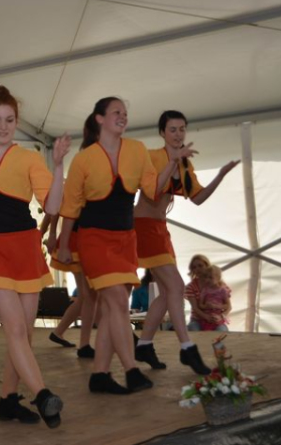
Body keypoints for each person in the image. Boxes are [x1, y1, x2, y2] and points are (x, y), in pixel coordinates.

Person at [0, 86, 70, 428]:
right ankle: (43, 395)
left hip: (24, 250)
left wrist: (58, 165)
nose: (3, 126)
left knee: (24, 335)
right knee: (16, 329)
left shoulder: (30, 159)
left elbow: (52, 205)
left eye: (9, 120)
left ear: (16, 122)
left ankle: (7, 400)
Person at [58, 97, 177, 394]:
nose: (123, 116)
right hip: (94, 239)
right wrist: (63, 245)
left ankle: (99, 374)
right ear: (99, 118)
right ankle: (131, 369)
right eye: (116, 112)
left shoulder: (136, 149)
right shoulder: (84, 159)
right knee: (118, 304)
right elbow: (70, 207)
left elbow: (152, 189)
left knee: (114, 309)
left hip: (126, 239)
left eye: (125, 113)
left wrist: (174, 161)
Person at [133, 110, 238, 375]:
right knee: (177, 287)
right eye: (172, 129)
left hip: (160, 229)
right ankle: (187, 348)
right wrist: (173, 160)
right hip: (143, 226)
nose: (178, 134)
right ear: (162, 133)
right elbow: (152, 192)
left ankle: (144, 344)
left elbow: (198, 198)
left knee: (168, 292)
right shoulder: (153, 156)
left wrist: (221, 175)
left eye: (182, 129)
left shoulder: (185, 165)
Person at [44, 216, 97, 359]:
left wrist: (49, 233)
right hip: (77, 239)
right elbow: (54, 211)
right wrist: (51, 234)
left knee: (86, 296)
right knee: (89, 295)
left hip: (78, 238)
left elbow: (53, 211)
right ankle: (84, 344)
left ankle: (59, 332)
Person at [195, 265, 231, 331]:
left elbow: (227, 305)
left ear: (218, 278)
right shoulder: (205, 290)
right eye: (206, 277)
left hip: (218, 319)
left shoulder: (223, 290)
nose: (207, 280)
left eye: (210, 277)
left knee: (220, 331)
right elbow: (200, 305)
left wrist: (217, 306)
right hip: (206, 319)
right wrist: (206, 306)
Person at [184, 254, 215, 330]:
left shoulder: (217, 283)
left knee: (222, 332)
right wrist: (206, 317)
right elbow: (195, 308)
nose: (197, 269)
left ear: (207, 266)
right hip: (197, 320)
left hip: (215, 319)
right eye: (194, 267)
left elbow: (228, 306)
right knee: (195, 330)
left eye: (200, 266)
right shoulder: (190, 286)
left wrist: (222, 316)